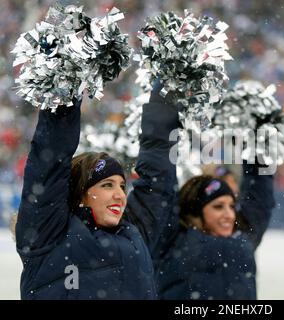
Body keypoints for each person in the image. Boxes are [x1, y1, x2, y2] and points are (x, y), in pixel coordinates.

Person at [15, 91, 176, 299]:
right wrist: (66, 88)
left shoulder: (134, 234)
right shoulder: (47, 233)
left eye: (122, 186)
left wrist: (167, 92)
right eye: (108, 185)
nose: (120, 195)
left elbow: (159, 179)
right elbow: (51, 154)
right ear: (81, 192)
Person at [126, 85, 275, 300]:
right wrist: (165, 99)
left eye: (231, 206)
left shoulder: (244, 235)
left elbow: (261, 191)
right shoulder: (171, 238)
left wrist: (261, 131)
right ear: (195, 209)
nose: (229, 214)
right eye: (217, 206)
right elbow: (159, 178)